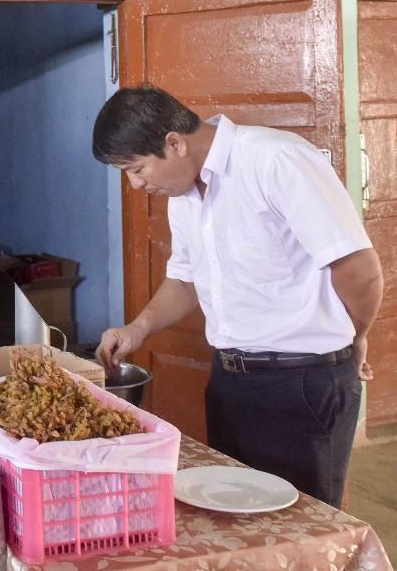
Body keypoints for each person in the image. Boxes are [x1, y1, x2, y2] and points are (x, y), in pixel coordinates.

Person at [92, 85, 383, 508]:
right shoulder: (184, 193)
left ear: (174, 144)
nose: (135, 184)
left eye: (135, 168)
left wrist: (352, 337)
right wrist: (139, 328)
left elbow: (359, 268)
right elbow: (186, 280)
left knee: (304, 527)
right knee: (240, 517)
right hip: (231, 381)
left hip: (301, 382)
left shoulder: (274, 159)